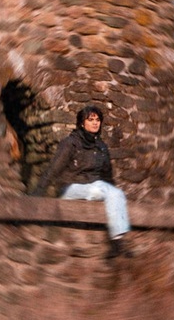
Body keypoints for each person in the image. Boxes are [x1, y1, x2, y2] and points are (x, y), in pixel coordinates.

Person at [31, 105, 133, 259]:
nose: (95, 123)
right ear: (82, 123)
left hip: (95, 187)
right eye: (90, 120)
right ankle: (116, 243)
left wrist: (114, 199)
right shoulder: (70, 143)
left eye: (97, 120)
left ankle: (117, 243)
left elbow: (107, 176)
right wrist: (39, 191)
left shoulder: (101, 147)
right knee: (103, 190)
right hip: (70, 187)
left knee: (116, 193)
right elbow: (54, 168)